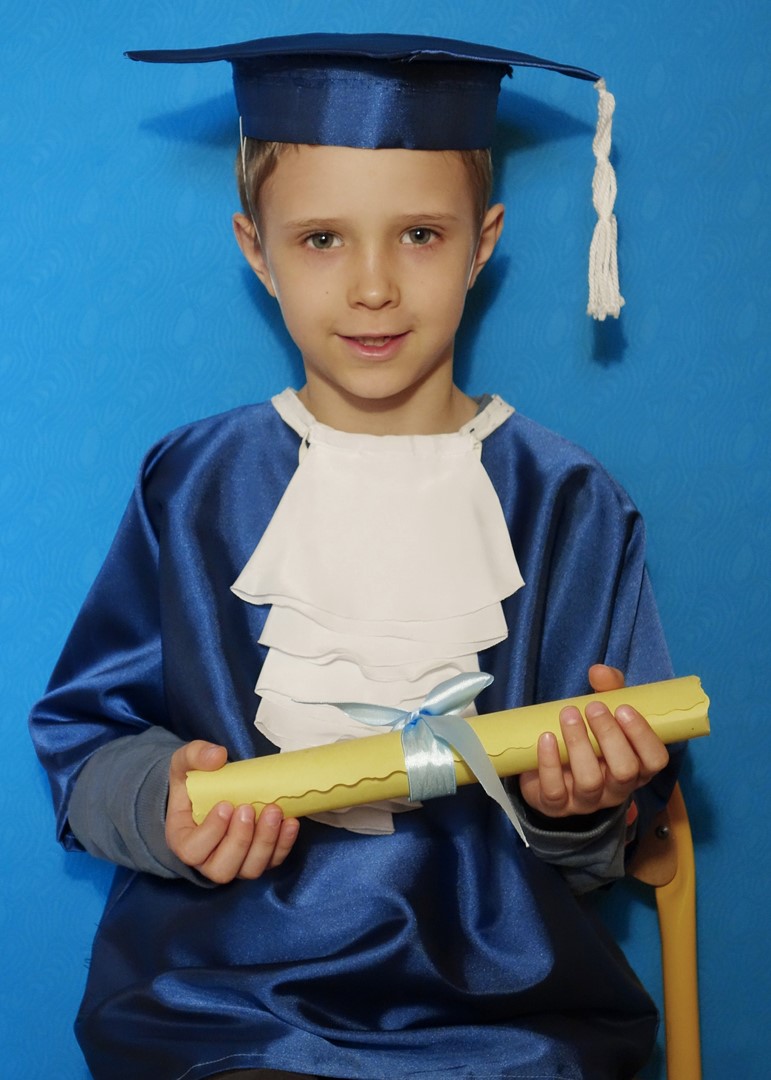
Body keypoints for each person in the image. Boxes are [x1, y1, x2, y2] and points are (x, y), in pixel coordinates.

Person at [29, 33, 680, 1080]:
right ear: (257, 251)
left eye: (419, 234)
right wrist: (160, 803)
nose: (373, 286)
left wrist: (586, 804)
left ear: (481, 243)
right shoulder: (192, 485)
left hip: (505, 1011)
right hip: (227, 1005)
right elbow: (86, 734)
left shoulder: (568, 501)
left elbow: (607, 833)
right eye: (323, 238)